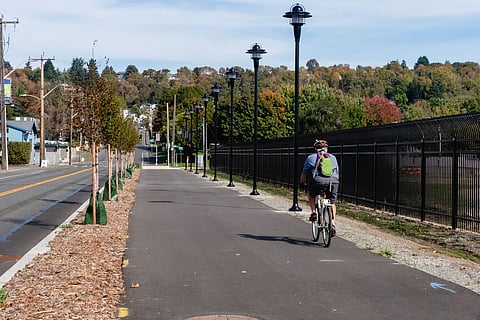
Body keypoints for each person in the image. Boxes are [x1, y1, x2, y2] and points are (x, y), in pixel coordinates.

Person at [300, 139, 340, 235]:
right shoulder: (333, 158)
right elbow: (337, 173)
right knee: (332, 202)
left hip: (318, 181)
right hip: (333, 181)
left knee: (311, 195)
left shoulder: (311, 158)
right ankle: (333, 223)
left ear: (315, 149)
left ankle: (314, 212)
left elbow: (304, 173)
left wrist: (302, 183)